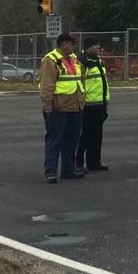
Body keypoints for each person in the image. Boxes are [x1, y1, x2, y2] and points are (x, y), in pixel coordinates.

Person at [38, 32, 85, 184]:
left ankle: (68, 169)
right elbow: (47, 84)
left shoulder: (74, 60)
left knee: (71, 140)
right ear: (64, 44)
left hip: (75, 105)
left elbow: (80, 79)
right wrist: (47, 104)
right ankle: (50, 171)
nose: (73, 46)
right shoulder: (50, 61)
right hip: (58, 107)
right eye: (71, 43)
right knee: (54, 140)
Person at [75, 37, 110, 173]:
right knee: (85, 136)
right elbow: (81, 83)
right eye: (96, 46)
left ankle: (94, 162)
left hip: (100, 104)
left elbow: (103, 83)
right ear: (89, 47)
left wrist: (105, 100)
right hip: (88, 105)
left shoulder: (98, 62)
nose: (98, 48)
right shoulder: (83, 62)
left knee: (97, 136)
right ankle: (78, 162)